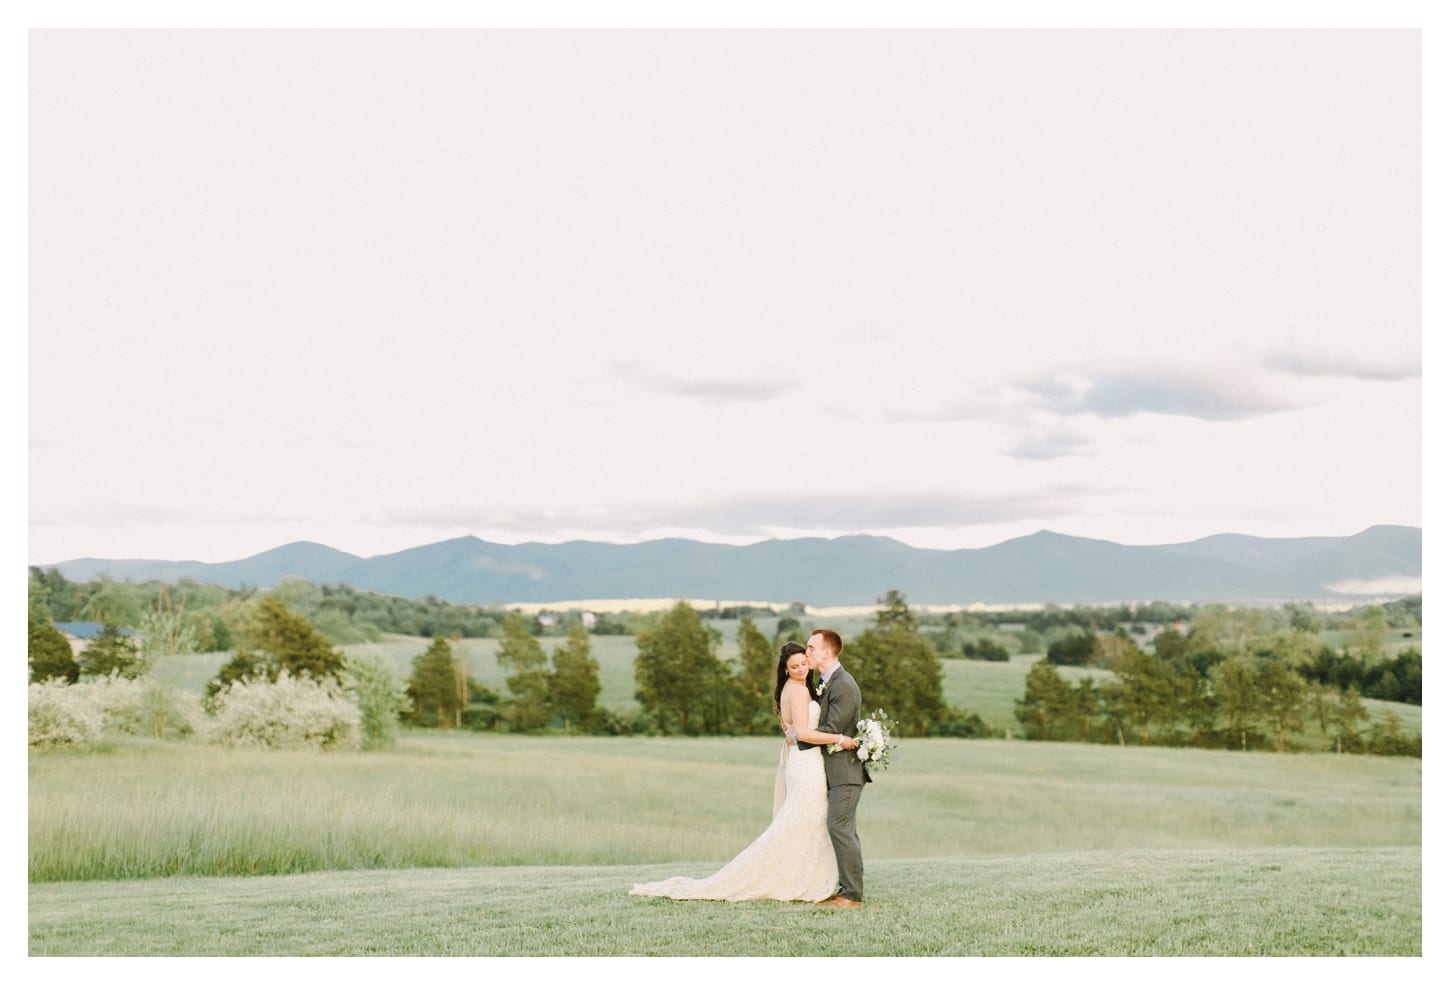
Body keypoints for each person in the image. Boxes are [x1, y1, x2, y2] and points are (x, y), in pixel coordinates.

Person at [629, 641, 843, 902]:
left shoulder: (795, 688)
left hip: (803, 761)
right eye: (794, 666)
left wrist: (792, 733)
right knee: (803, 818)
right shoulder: (797, 692)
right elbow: (805, 732)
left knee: (806, 819)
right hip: (806, 764)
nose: (800, 669)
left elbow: (792, 728)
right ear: (785, 670)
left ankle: (802, 874)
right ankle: (792, 877)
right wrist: (839, 739)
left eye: (803, 664)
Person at [797, 628, 869, 908]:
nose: (807, 653)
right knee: (842, 828)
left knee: (839, 827)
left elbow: (832, 730)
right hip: (831, 771)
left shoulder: (844, 685)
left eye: (811, 648)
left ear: (827, 652)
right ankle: (841, 887)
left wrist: (798, 737)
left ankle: (851, 895)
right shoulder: (826, 681)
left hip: (846, 772)